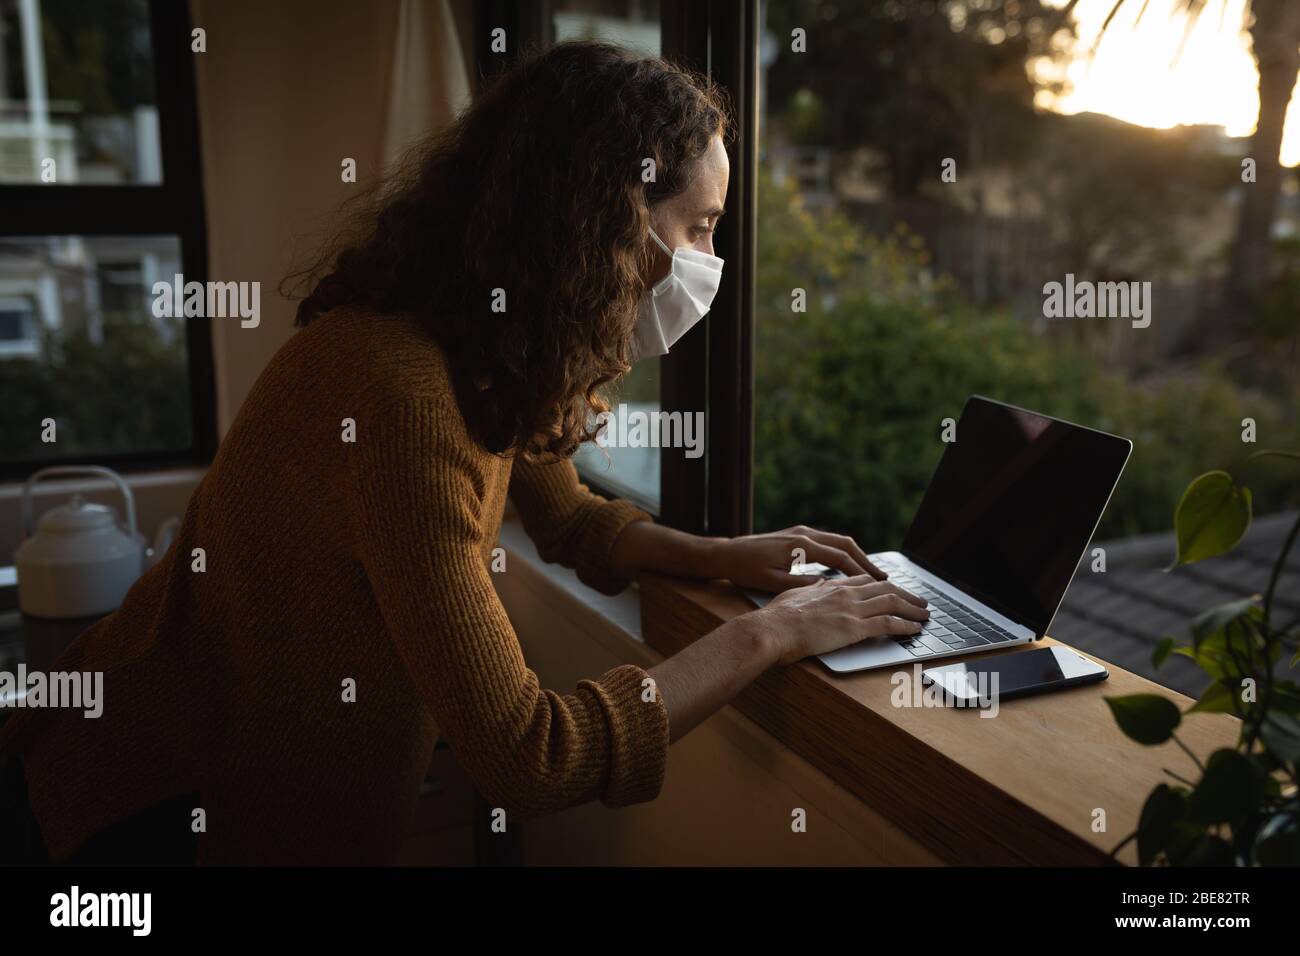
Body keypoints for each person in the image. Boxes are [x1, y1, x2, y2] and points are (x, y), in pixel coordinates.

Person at [0, 41, 928, 865]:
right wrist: (770, 632)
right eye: (700, 228)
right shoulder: (403, 397)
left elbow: (568, 519)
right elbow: (534, 756)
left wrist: (722, 556)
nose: (708, 259)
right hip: (146, 808)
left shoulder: (474, 345)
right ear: (603, 226)